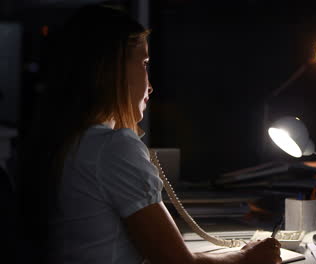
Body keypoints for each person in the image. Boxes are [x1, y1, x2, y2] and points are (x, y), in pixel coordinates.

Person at [17, 3, 281, 264]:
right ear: (114, 70)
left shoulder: (67, 143)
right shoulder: (111, 148)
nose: (150, 86)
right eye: (144, 64)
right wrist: (245, 258)